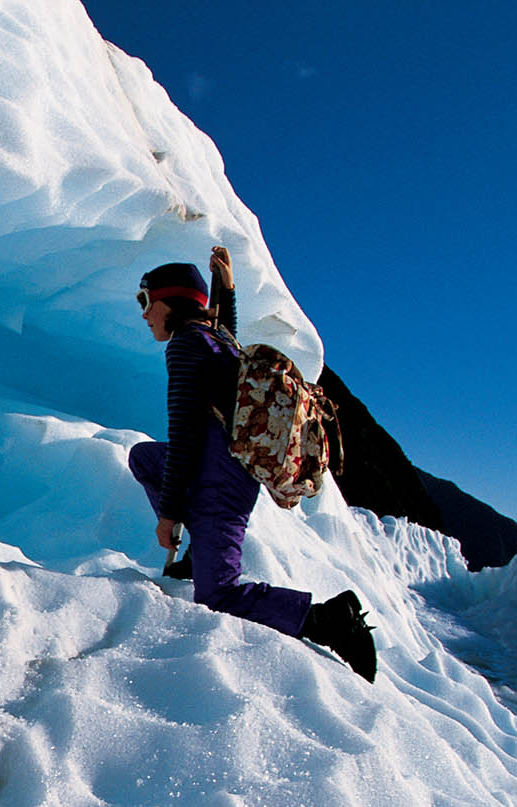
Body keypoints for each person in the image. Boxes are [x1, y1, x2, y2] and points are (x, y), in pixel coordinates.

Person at [126, 247, 378, 681]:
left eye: (147, 301)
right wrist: (226, 289)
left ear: (172, 302)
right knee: (144, 458)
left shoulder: (185, 346)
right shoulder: (216, 340)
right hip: (225, 470)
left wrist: (169, 515)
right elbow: (226, 328)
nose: (145, 314)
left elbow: (184, 436)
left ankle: (329, 621)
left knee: (218, 594)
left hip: (220, 482)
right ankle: (200, 553)